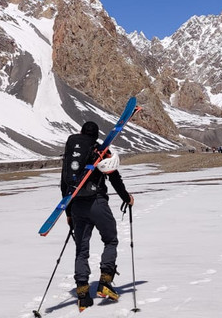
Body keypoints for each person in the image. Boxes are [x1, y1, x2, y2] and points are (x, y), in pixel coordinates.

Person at [61, 121, 134, 312]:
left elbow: (64, 185)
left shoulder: (71, 155)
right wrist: (127, 198)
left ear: (80, 132)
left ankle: (83, 295)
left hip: (76, 205)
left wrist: (68, 213)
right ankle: (105, 283)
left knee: (81, 249)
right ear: (96, 136)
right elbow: (114, 178)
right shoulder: (100, 152)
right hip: (97, 203)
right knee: (110, 240)